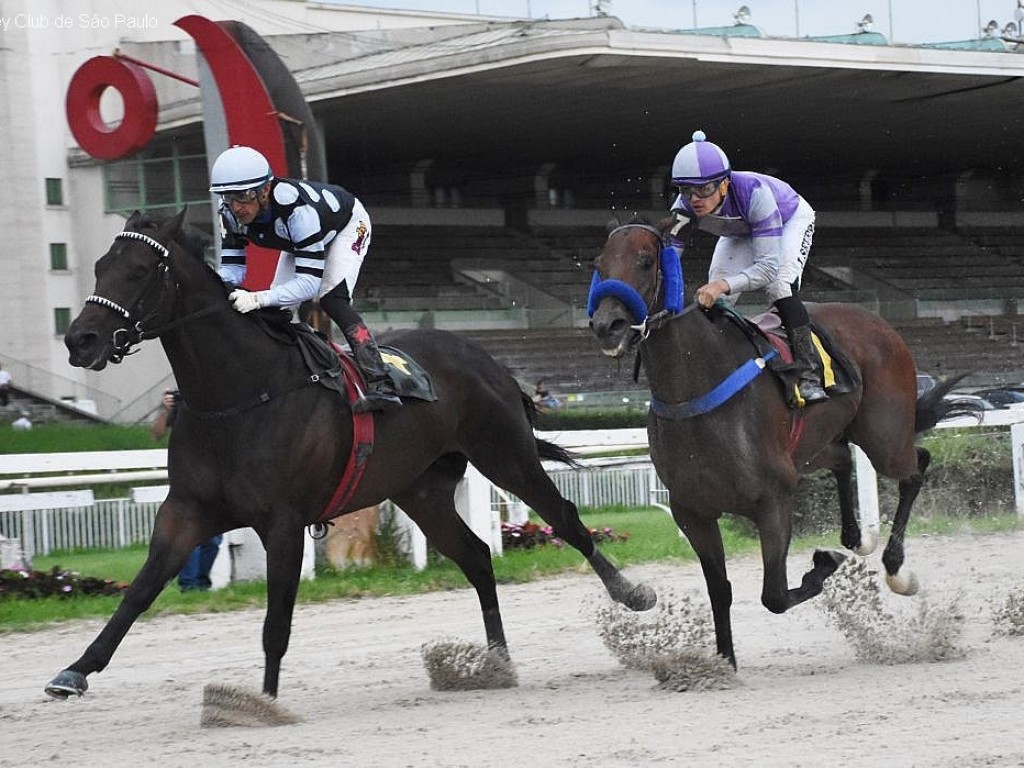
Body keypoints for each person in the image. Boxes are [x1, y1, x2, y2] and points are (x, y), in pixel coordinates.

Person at [209, 145, 401, 413]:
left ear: (265, 190)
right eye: (228, 196)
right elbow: (232, 269)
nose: (236, 206)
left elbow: (309, 284)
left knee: (332, 300)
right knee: (275, 312)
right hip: (297, 239)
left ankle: (381, 383)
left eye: (243, 195)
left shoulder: (298, 211)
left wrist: (257, 297)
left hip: (346, 225)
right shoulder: (228, 211)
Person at [666, 130, 827, 404]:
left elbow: (766, 269)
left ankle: (809, 374)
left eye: (704, 189)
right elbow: (670, 259)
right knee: (717, 295)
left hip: (788, 218)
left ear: (724, 185)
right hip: (740, 230)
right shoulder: (682, 208)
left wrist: (720, 286)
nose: (694, 199)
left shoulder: (755, 194)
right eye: (685, 189)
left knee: (778, 285)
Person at [150, 388, 222, 591]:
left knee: (213, 540)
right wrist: (165, 410)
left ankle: (200, 582)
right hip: (189, 477)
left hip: (214, 477)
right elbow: (156, 433)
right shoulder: (181, 403)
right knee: (192, 537)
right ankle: (190, 585)